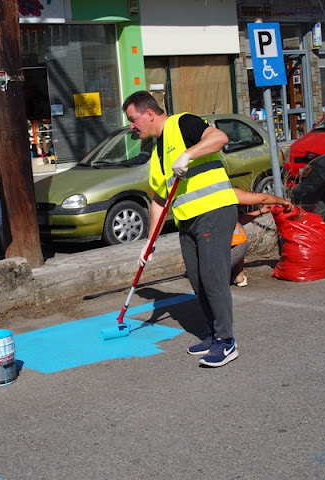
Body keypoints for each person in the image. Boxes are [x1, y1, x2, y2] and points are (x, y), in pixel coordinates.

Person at [122, 90, 239, 368]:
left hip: (214, 210)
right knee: (197, 278)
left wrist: (188, 154)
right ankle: (213, 334)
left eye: (133, 119)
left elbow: (219, 138)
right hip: (187, 220)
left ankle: (227, 341)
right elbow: (159, 200)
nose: (131, 126)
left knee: (212, 276)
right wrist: (149, 243)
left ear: (149, 114)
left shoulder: (183, 123)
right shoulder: (156, 152)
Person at [231, 188, 293, 287]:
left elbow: (236, 220)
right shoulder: (227, 192)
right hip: (236, 252)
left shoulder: (204, 196)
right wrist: (284, 202)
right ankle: (239, 276)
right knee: (237, 232)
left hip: (211, 258)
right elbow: (263, 198)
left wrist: (261, 211)